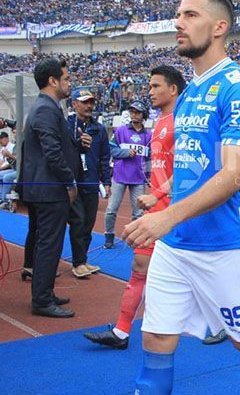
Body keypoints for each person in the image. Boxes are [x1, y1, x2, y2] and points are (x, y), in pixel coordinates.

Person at [122, 0, 240, 394]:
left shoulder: (239, 87)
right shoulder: (189, 94)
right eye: (178, 15)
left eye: (190, 15)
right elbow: (193, 167)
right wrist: (163, 198)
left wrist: (166, 215)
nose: (178, 23)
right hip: (175, 243)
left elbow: (234, 174)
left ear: (219, 27)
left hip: (224, 245)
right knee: (155, 339)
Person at [84, 65, 185, 350]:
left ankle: (223, 324)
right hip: (157, 208)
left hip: (175, 210)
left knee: (194, 270)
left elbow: (188, 168)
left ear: (172, 89)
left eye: (155, 86)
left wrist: (160, 193)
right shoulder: (160, 123)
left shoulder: (182, 122)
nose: (149, 91)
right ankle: (122, 331)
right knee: (140, 265)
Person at [20, 57, 82, 318]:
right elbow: (52, 151)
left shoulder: (46, 107)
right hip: (49, 189)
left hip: (45, 187)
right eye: (66, 78)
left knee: (48, 243)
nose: (69, 83)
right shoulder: (46, 109)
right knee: (49, 244)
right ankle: (42, 300)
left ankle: (44, 292)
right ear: (52, 81)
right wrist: (69, 181)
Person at [66, 88, 111, 278]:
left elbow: (104, 157)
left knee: (88, 224)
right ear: (74, 104)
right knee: (78, 222)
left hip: (91, 182)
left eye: (91, 102)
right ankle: (77, 263)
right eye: (84, 102)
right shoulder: (66, 125)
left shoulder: (99, 129)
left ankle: (82, 260)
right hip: (73, 182)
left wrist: (107, 181)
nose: (89, 106)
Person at [104, 100, 151, 249]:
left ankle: (134, 239)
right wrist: (125, 153)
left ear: (143, 115)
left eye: (137, 112)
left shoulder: (149, 135)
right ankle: (109, 236)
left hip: (138, 178)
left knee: (138, 213)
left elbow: (149, 157)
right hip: (119, 176)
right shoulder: (120, 131)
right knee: (111, 209)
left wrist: (148, 177)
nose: (134, 114)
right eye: (132, 111)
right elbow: (110, 150)